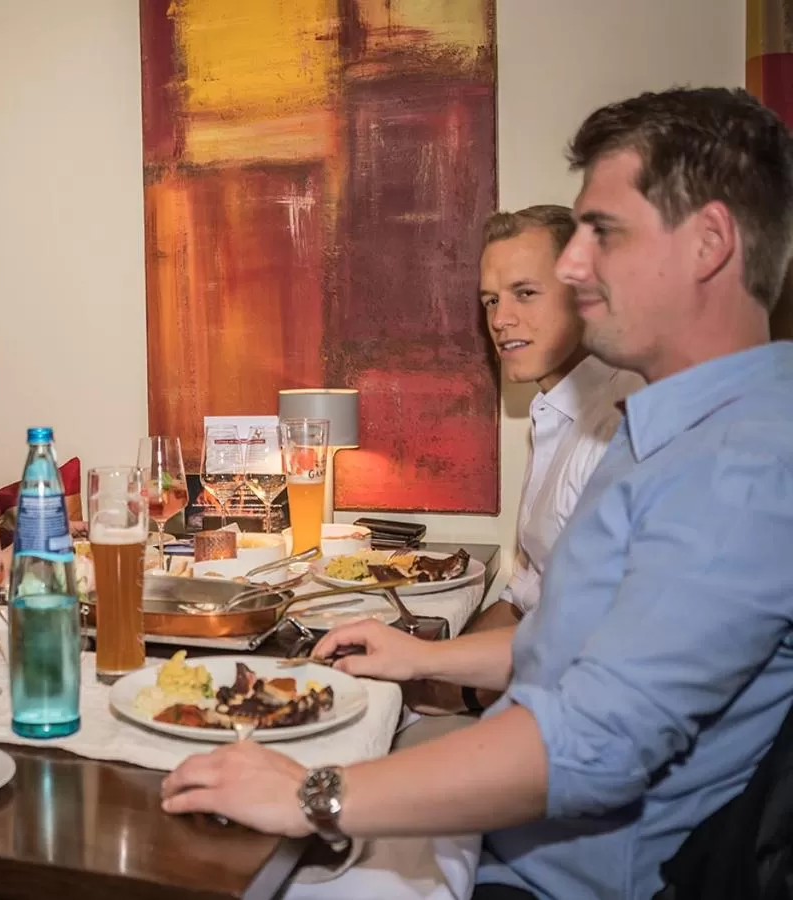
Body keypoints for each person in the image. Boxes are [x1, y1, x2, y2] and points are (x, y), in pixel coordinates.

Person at [160, 86, 793, 900]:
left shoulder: (742, 465)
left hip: (542, 880)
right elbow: (575, 644)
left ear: (709, 243)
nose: (572, 264)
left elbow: (593, 744)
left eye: (601, 233)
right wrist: (421, 655)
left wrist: (314, 797)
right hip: (504, 838)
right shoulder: (667, 427)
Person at [406, 205, 642, 717]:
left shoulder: (618, 423)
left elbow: (597, 646)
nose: (499, 319)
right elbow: (524, 600)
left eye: (525, 293)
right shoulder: (551, 411)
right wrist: (427, 665)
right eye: (490, 300)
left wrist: (456, 689)